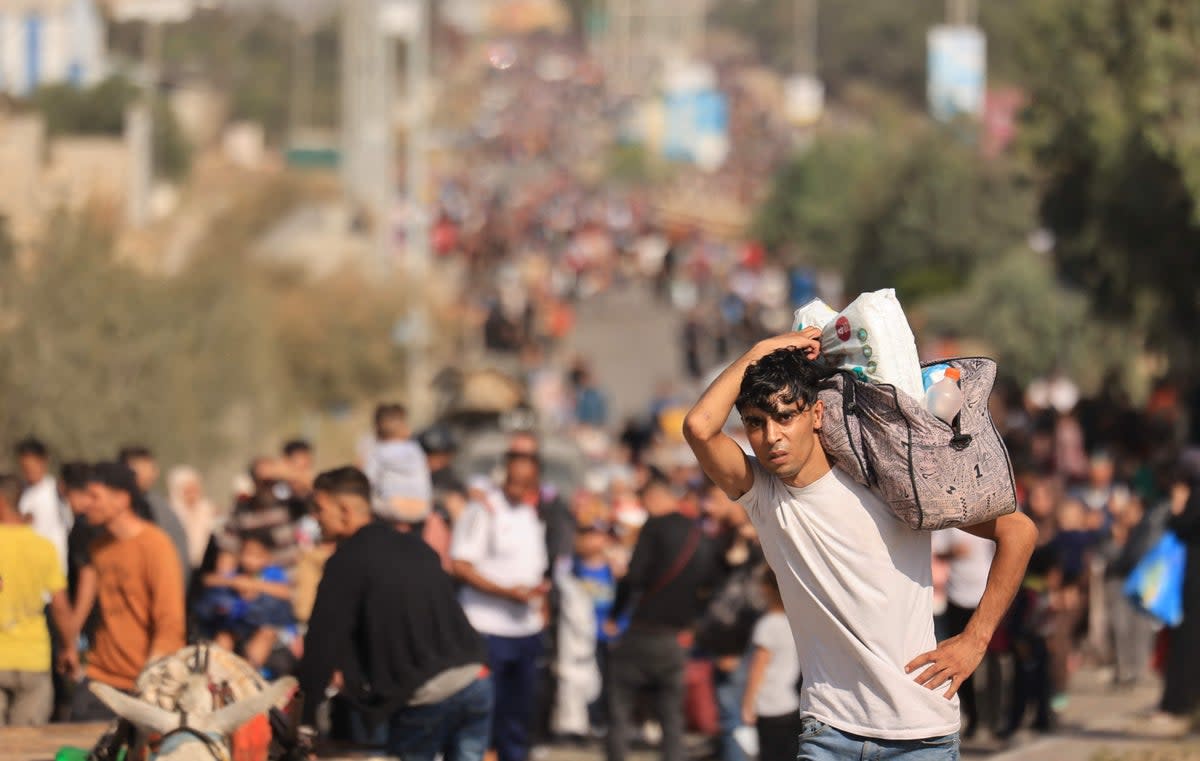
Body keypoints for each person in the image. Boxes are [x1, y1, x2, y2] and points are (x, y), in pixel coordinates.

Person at [682, 331, 1037, 760]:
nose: (772, 436)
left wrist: (975, 639)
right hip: (828, 730)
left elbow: (1019, 531)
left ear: (815, 414)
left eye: (784, 416)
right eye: (756, 422)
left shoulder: (890, 480)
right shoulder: (764, 494)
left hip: (921, 732)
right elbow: (699, 427)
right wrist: (761, 350)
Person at [298, 466, 492, 761]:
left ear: (345, 510)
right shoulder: (415, 545)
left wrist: (306, 721)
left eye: (319, 508)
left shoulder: (346, 563)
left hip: (428, 697)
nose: (315, 516)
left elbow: (321, 647)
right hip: (476, 681)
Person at [603, 474, 718, 761]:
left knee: (620, 710)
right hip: (676, 638)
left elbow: (635, 576)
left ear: (655, 498)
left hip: (642, 632)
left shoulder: (653, 527)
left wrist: (616, 614)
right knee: (671, 717)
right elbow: (710, 585)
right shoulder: (698, 533)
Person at [69, 463, 185, 721]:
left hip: (141, 683)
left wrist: (150, 681)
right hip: (99, 679)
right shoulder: (100, 548)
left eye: (94, 496)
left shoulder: (156, 545)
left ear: (122, 499)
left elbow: (170, 623)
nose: (85, 504)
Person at [451, 453, 548, 761]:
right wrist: (505, 593)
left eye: (526, 482)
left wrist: (540, 600)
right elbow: (461, 565)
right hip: (487, 628)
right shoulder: (484, 510)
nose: (518, 489)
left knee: (518, 717)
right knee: (485, 717)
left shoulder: (532, 514)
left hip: (525, 629)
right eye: (513, 481)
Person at [0, 473, 77, 726]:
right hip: (34, 657)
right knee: (27, 746)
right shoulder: (43, 546)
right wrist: (69, 648)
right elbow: (60, 606)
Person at [931, 528, 998, 739]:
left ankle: (994, 719)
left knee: (994, 661)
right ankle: (973, 717)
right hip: (957, 596)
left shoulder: (997, 503)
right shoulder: (950, 515)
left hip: (988, 597)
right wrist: (952, 552)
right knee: (960, 661)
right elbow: (936, 550)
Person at [197, 531, 296, 671]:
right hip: (239, 626)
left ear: (267, 557)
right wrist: (233, 582)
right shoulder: (236, 574)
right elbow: (208, 580)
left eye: (256, 555)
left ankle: (248, 673)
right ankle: (215, 674)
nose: (250, 560)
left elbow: (287, 593)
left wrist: (254, 586)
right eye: (247, 554)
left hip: (268, 631)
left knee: (266, 634)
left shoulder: (273, 574)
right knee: (224, 636)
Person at [740, 568, 800, 761]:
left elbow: (758, 669)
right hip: (790, 702)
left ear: (767, 589)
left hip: (768, 703)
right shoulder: (795, 623)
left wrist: (748, 704)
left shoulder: (767, 625)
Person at [118, 446, 191, 584]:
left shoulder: (157, 506)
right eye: (146, 469)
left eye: (152, 469)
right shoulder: (121, 506)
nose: (153, 474)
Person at [364, 403, 433, 523]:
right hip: (422, 508)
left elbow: (368, 480)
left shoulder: (378, 452)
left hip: (392, 507)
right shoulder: (416, 450)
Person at [14, 437, 68, 574]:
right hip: (28, 566)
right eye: (25, 468)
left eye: (32, 466)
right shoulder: (22, 492)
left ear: (44, 461)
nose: (29, 472)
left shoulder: (56, 490)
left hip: (53, 567)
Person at [167, 465, 215, 569]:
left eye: (195, 487)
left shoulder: (206, 509)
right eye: (188, 489)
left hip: (205, 565)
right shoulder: (170, 513)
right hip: (179, 565)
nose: (193, 492)